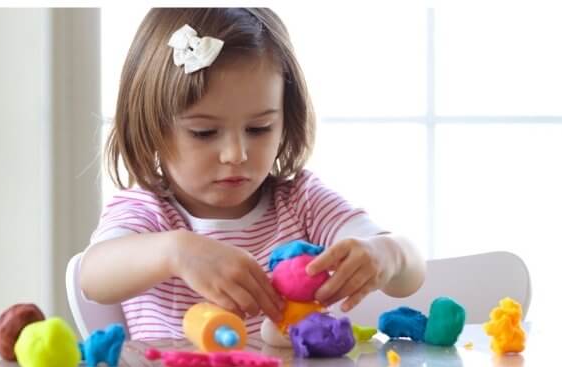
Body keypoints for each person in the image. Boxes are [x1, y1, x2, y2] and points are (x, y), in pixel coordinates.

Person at [79, 8, 425, 340]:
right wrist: (175, 251)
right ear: (151, 128)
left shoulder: (302, 202)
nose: (236, 155)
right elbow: (93, 277)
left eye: (259, 128)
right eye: (204, 132)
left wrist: (386, 254)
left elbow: (410, 272)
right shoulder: (148, 213)